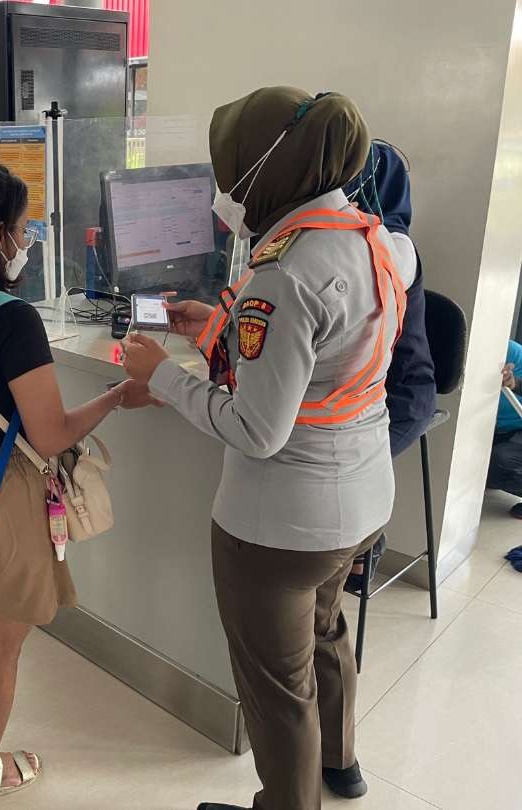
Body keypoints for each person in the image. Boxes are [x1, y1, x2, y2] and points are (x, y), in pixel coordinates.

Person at [121, 87, 416, 810]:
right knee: (325, 630)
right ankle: (340, 766)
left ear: (270, 167)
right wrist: (216, 327)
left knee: (278, 688)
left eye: (236, 165)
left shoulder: (283, 271)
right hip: (365, 493)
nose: (229, 185)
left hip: (279, 522)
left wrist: (162, 379)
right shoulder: (381, 241)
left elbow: (258, 428)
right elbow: (329, 355)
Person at [0, 159, 152, 808]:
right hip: (4, 494)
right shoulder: (10, 320)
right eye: (22, 228)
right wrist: (117, 397)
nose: (27, 241)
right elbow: (47, 435)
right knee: (4, 640)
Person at [341, 140, 437, 588]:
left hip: (401, 398)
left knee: (338, 466)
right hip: (365, 389)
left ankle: (365, 545)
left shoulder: (390, 247)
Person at [486, 341, 522, 516]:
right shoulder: (510, 351)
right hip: (500, 431)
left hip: (516, 435)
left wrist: (515, 383)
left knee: (497, 461)